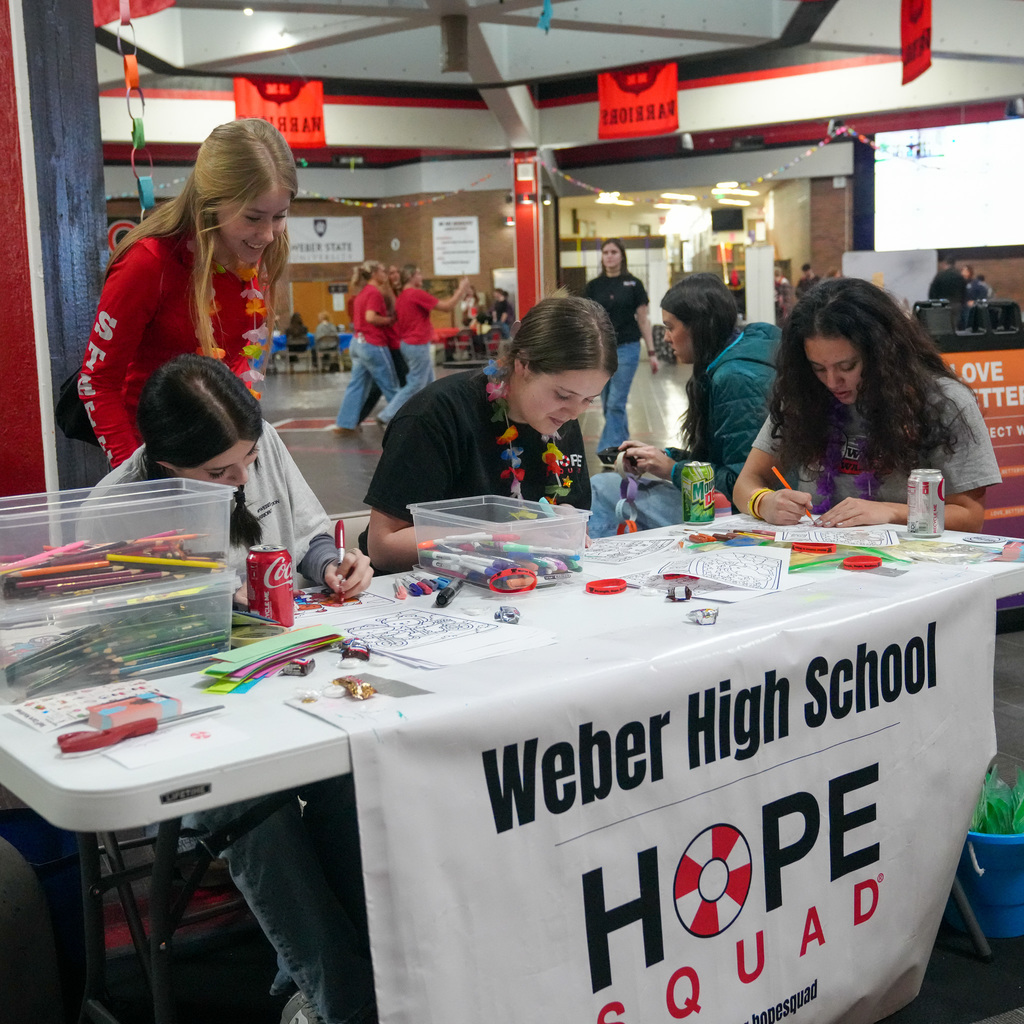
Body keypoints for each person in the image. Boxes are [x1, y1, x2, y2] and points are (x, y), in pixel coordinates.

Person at [94, 354, 376, 1024]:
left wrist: (331, 563)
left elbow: (303, 533)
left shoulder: (256, 444)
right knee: (256, 806)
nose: (242, 476)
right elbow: (125, 656)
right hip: (196, 724)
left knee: (358, 770)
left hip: (286, 691)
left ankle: (346, 975)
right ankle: (347, 1000)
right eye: (219, 474)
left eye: (247, 460)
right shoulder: (113, 513)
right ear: (165, 464)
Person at [78, 118, 296, 467]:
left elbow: (243, 360)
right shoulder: (149, 264)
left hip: (221, 457)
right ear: (211, 202)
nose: (268, 234)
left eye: (279, 216)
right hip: (156, 455)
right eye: (254, 218)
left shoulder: (258, 256)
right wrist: (133, 472)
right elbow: (96, 381)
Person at [362, 295, 618, 572]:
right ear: (524, 364)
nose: (574, 412)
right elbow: (383, 546)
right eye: (562, 394)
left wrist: (567, 522)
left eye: (589, 400)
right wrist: (509, 536)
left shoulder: (560, 417)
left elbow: (566, 511)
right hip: (423, 590)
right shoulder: (437, 414)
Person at [733, 277, 1001, 531]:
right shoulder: (805, 394)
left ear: (881, 354)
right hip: (822, 557)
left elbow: (970, 515)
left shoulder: (942, 401)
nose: (832, 381)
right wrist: (763, 503)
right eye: (818, 368)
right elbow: (746, 483)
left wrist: (889, 512)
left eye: (847, 366)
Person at [589, 274, 780, 537]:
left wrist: (672, 470)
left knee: (601, 488)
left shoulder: (737, 379)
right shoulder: (730, 358)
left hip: (743, 518)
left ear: (699, 327)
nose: (666, 338)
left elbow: (742, 485)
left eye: (670, 327)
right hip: (737, 510)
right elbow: (723, 461)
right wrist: (664, 457)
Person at [585, 238, 658, 451]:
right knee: (608, 403)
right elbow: (587, 319)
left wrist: (652, 352)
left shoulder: (634, 284)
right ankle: (625, 444)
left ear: (621, 256)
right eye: (605, 252)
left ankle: (609, 450)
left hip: (628, 348)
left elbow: (643, 319)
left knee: (616, 402)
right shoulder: (593, 286)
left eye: (614, 252)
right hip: (601, 350)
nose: (609, 256)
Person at [374, 266, 469, 423]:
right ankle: (387, 415)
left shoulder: (403, 296)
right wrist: (461, 289)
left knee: (429, 384)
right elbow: (447, 307)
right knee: (416, 383)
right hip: (417, 344)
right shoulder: (415, 294)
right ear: (411, 276)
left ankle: (432, 413)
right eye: (419, 273)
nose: (422, 277)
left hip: (409, 344)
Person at [333, 261, 400, 435]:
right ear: (374, 274)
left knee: (356, 386)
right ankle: (404, 420)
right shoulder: (374, 293)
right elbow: (371, 317)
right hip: (373, 344)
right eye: (382, 271)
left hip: (357, 343)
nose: (385, 274)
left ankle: (345, 424)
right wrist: (389, 320)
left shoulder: (361, 293)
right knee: (391, 387)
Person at [928, 254, 967, 329]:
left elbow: (932, 291)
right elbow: (964, 291)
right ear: (954, 263)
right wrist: (962, 303)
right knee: (954, 327)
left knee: (942, 327)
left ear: (945, 263)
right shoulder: (959, 276)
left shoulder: (940, 275)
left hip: (942, 305)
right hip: (956, 304)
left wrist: (933, 303)